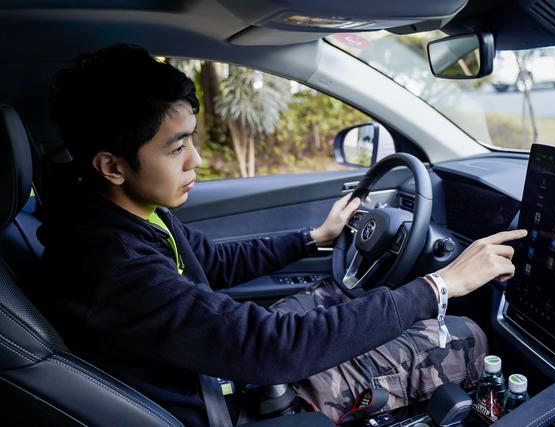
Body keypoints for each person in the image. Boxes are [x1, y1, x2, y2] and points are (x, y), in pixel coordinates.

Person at [38, 44, 527, 426]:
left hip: (213, 367)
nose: (197, 161)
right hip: (227, 402)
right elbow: (272, 349)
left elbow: (212, 261)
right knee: (464, 334)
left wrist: (314, 237)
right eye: (176, 149)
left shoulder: (124, 214)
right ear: (112, 166)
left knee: (340, 291)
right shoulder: (111, 265)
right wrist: (441, 287)